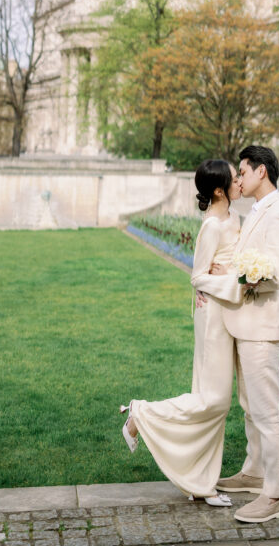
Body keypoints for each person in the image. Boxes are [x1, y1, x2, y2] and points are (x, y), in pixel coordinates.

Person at [119, 159, 241, 507]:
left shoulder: (234, 218)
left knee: (214, 402)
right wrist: (233, 277)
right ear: (219, 190)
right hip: (213, 316)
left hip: (228, 312)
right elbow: (198, 277)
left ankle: (200, 482)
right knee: (213, 400)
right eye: (234, 179)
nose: (240, 182)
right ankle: (140, 415)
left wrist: (237, 268)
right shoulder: (212, 227)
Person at [194, 145, 279, 525]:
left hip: (262, 328)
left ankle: (276, 494)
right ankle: (254, 472)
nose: (237, 178)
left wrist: (230, 278)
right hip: (243, 323)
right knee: (250, 407)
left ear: (261, 173)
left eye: (242, 171)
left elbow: (274, 273)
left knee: (268, 412)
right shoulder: (255, 210)